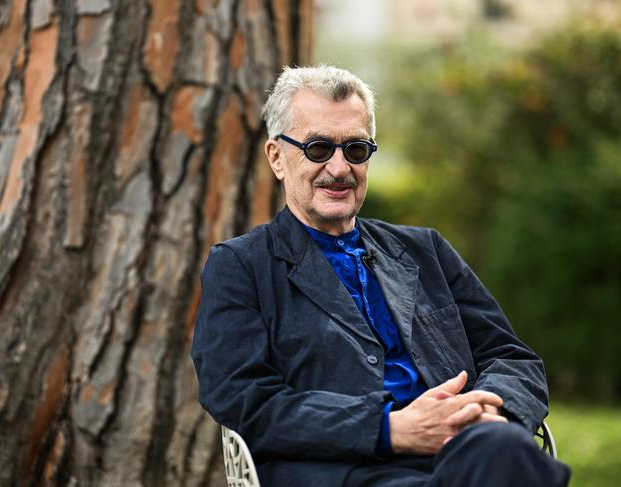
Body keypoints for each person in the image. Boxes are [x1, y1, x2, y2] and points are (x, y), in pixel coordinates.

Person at [192, 65, 570, 486]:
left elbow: (513, 358)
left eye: (355, 149)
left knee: (502, 449)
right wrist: (389, 428)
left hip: (464, 453)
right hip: (346, 471)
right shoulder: (241, 266)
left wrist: (489, 412)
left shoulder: (425, 251)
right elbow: (244, 400)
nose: (339, 169)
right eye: (318, 148)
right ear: (277, 157)